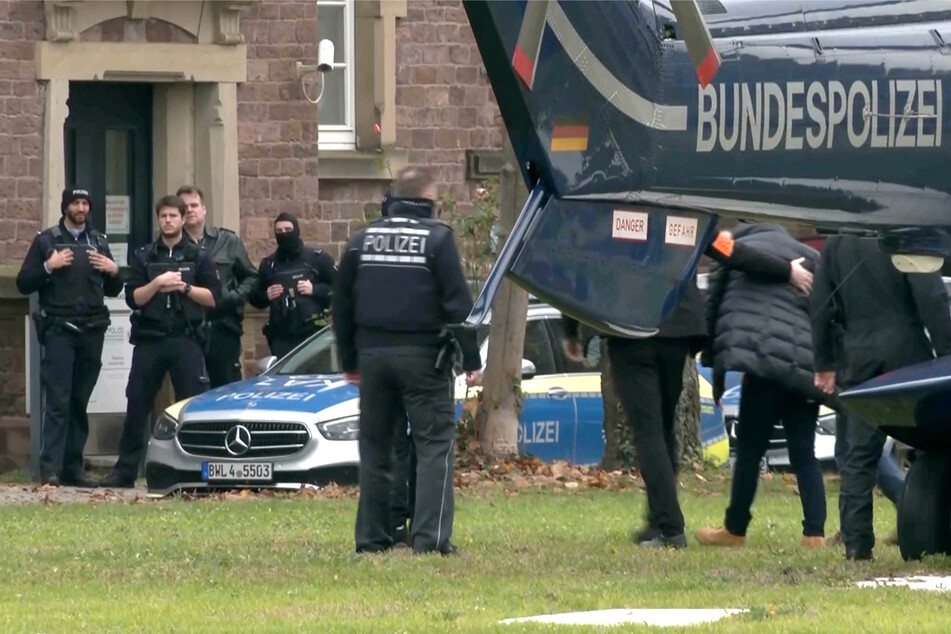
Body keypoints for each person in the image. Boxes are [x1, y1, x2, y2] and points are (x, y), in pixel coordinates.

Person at [562, 226, 814, 548]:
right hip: (677, 329)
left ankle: (670, 529)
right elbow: (730, 252)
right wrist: (787, 270)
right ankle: (658, 520)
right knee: (664, 426)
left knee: (649, 430)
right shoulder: (685, 213)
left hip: (629, 330)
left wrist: (571, 330)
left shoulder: (610, 211)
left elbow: (577, 265)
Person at [333, 167, 482, 555]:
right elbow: (458, 305)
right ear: (429, 200)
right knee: (434, 445)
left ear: (394, 197)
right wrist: (470, 358)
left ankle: (373, 538)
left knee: (377, 447)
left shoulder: (362, 239)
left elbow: (342, 303)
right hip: (424, 358)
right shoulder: (437, 239)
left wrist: (350, 360)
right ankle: (429, 540)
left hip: (373, 357)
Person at [811, 234, 951, 560]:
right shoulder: (902, 233)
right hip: (906, 351)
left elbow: (820, 305)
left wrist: (824, 362)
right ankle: (932, 527)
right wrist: (947, 350)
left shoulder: (835, 244)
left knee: (858, 457)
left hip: (858, 355)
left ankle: (857, 545)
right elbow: (930, 295)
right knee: (933, 445)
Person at [694, 223, 827, 548]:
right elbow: (827, 313)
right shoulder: (810, 256)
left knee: (751, 451)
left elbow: (714, 310)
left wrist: (718, 375)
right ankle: (814, 534)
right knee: (804, 453)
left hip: (763, 365)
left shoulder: (732, 249)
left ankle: (734, 529)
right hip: (803, 370)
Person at [99, 195, 221, 488]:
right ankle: (126, 470)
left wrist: (185, 287)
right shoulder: (144, 255)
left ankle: (196, 468)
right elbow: (133, 298)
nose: (168, 221)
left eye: (173, 216)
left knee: (192, 405)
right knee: (137, 403)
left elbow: (214, 298)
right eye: (163, 217)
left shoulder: (198, 255)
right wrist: (157, 283)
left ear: (182, 219)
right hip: (150, 339)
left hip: (185, 338)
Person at [16, 187, 123, 486]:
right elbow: (24, 282)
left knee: (79, 400)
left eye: (85, 203)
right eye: (75, 203)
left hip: (91, 329)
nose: (80, 208)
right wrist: (49, 266)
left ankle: (74, 468)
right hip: (59, 329)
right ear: (65, 207)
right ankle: (50, 468)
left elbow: (114, 289)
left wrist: (113, 270)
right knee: (58, 401)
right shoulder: (46, 240)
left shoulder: (99, 241)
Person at [178, 185, 258, 388]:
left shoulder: (228, 241)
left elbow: (251, 277)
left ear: (204, 209)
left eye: (194, 205)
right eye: (184, 206)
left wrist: (232, 297)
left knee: (227, 389)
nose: (189, 210)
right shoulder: (172, 246)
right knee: (189, 391)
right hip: (186, 328)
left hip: (223, 328)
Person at [250, 213, 336, 359]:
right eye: (279, 231)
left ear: (296, 230)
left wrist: (315, 290)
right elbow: (254, 298)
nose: (284, 234)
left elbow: (340, 289)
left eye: (288, 229)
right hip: (282, 338)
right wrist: (266, 295)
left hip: (314, 336)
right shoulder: (269, 265)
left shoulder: (318, 259)